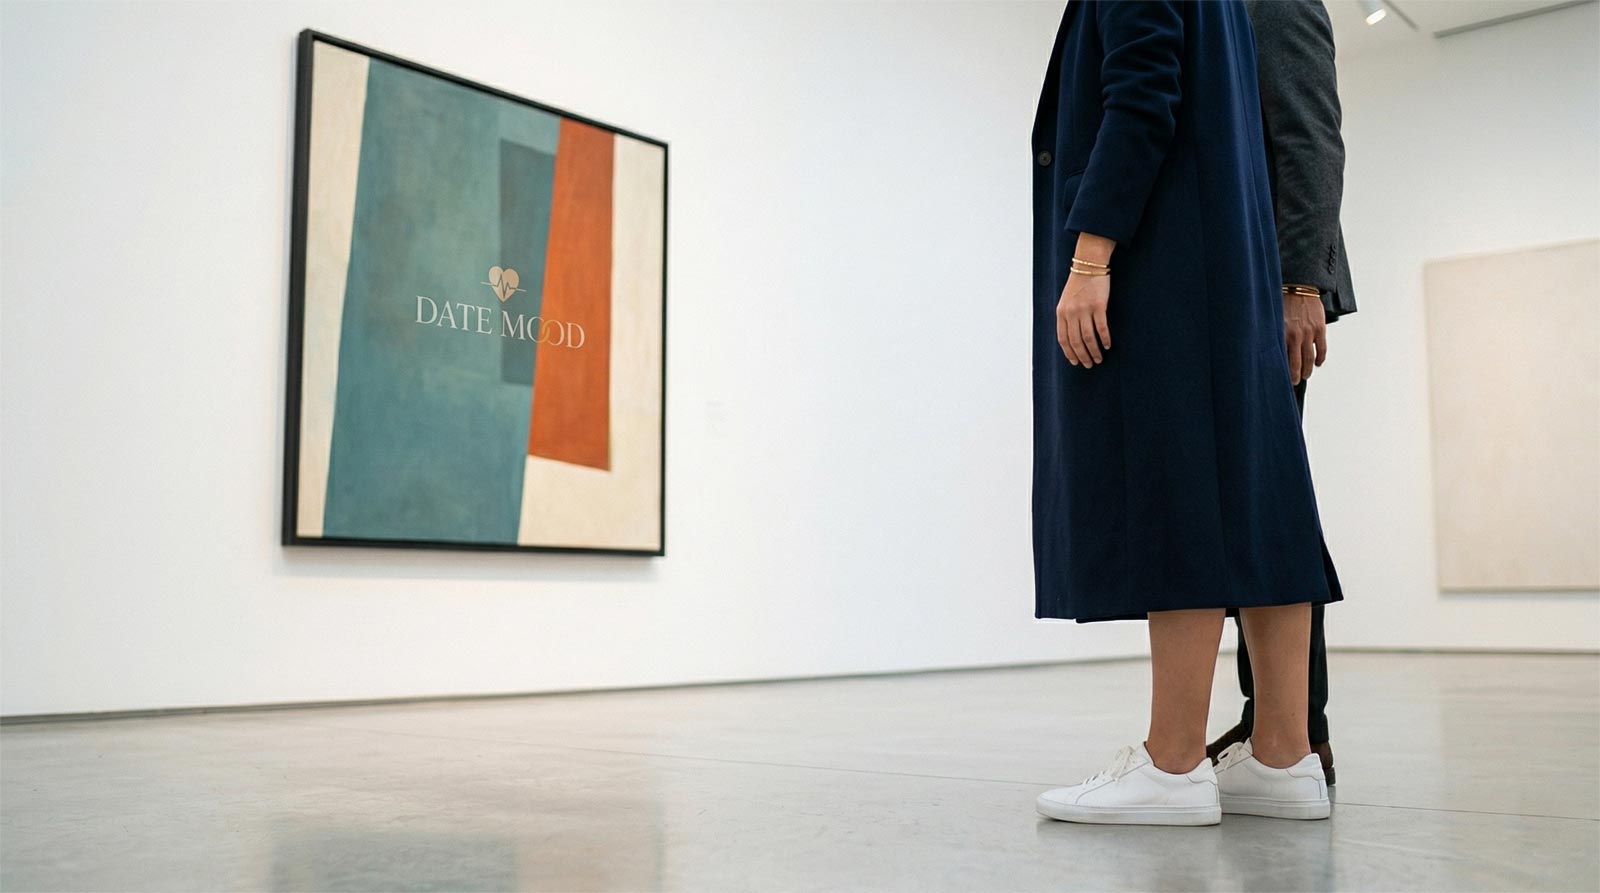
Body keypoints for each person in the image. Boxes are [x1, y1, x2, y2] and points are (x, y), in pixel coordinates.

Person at [1029, 0, 1343, 826]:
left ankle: (1172, 762)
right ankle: (1283, 755)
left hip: (1172, 254)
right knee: (1262, 494)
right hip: (1233, 256)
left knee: (1181, 492)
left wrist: (1091, 252)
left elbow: (1142, 90)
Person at [1206, 0, 1358, 786]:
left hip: (1275, 292)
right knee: (1251, 507)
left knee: (1268, 506)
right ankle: (1275, 714)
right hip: (1241, 293)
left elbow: (1310, 138)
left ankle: (1300, 728)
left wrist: (1301, 282)